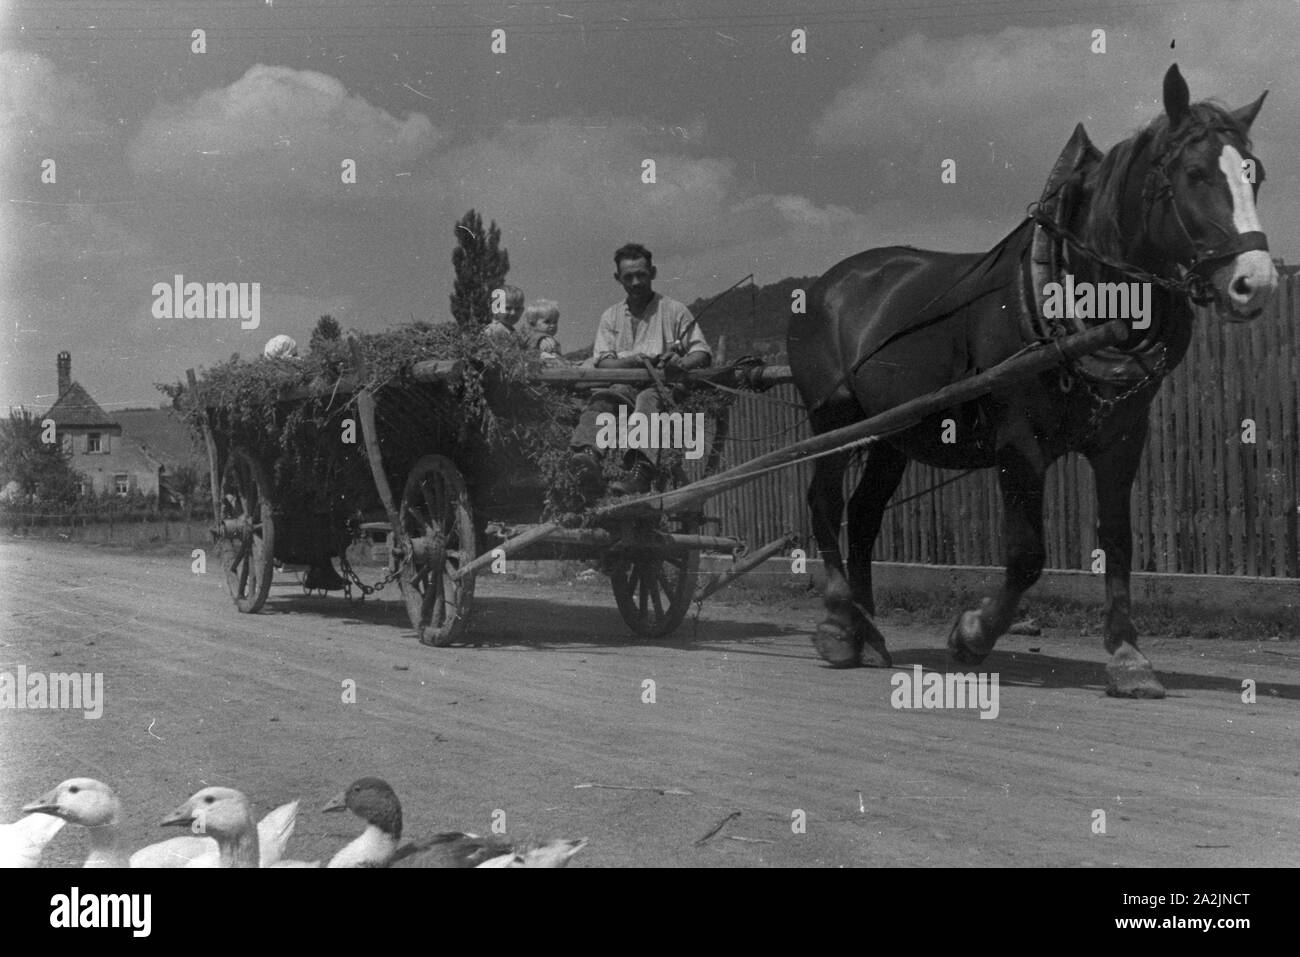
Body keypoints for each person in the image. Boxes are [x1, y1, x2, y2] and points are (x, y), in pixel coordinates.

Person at [570, 243, 711, 496]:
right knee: (603, 399)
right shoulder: (610, 317)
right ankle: (587, 455)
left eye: (641, 275)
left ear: (653, 273)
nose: (635, 282)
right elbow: (602, 362)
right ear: (618, 278)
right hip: (623, 386)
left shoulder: (674, 311)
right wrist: (633, 361)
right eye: (628, 277)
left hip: (663, 388)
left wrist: (681, 363)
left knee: (647, 399)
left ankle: (640, 472)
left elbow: (701, 353)